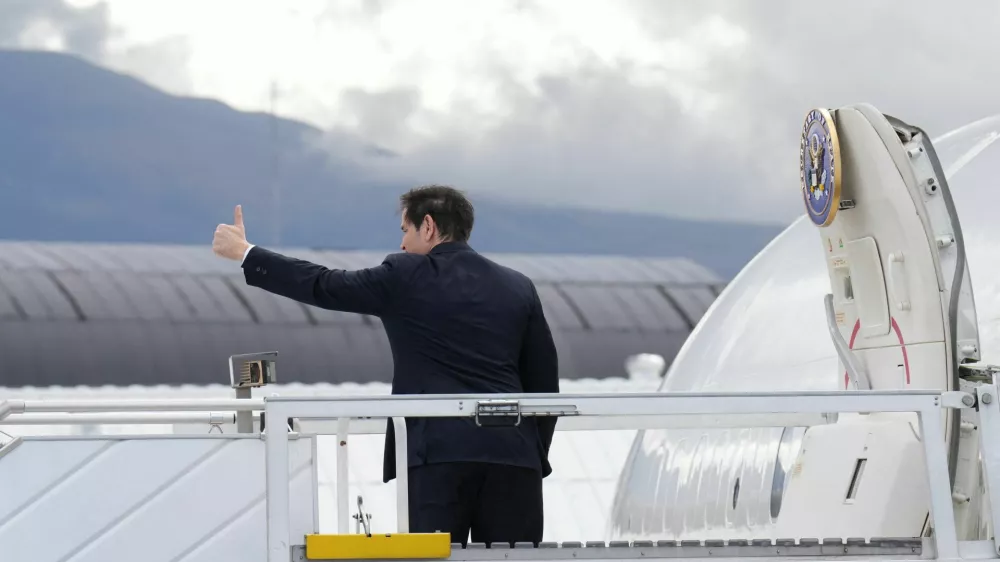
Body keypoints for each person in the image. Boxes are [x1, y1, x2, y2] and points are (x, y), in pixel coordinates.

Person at [212, 185, 559, 546]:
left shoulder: (405, 273)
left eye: (405, 231)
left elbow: (324, 284)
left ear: (428, 226)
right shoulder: (518, 286)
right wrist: (530, 452)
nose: (403, 245)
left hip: (436, 455)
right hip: (515, 458)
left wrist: (246, 253)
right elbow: (544, 383)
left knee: (434, 558)